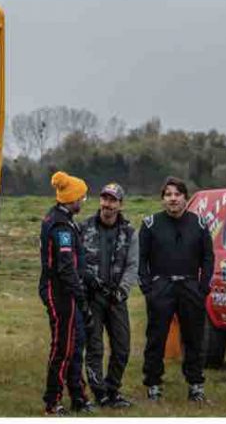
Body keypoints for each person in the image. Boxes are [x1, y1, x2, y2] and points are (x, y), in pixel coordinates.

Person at [139, 177, 214, 402]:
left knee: (194, 338)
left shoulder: (199, 225)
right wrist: (147, 287)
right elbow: (140, 259)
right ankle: (153, 384)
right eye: (168, 195)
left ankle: (195, 385)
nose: (173, 199)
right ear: (163, 199)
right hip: (161, 286)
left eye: (177, 194)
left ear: (185, 198)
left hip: (190, 286)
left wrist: (203, 287)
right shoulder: (150, 224)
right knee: (156, 338)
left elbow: (208, 258)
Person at [39, 171, 95, 416]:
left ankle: (78, 397)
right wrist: (81, 298)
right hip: (61, 292)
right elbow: (65, 267)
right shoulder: (60, 225)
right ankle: (52, 401)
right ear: (72, 198)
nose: (84, 201)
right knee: (62, 347)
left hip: (68, 291)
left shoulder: (66, 219)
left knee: (76, 344)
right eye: (82, 197)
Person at [80, 183, 138, 408]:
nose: (107, 204)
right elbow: (77, 261)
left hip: (116, 298)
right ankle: (100, 393)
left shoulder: (130, 232)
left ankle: (113, 390)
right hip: (91, 298)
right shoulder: (83, 228)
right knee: (94, 348)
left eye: (113, 200)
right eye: (104, 199)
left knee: (122, 347)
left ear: (120, 204)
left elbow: (133, 265)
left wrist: (122, 291)